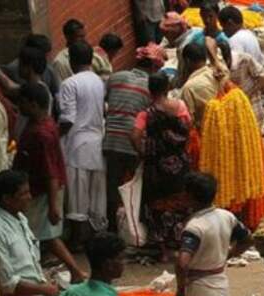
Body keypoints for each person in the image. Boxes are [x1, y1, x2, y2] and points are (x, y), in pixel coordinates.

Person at [174, 173, 252, 296]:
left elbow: (182, 262)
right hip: (220, 287)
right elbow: (247, 239)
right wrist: (228, 255)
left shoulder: (194, 227)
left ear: (190, 197)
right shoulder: (226, 216)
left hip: (199, 293)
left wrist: (181, 286)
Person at [13, 83, 86, 284]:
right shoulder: (45, 124)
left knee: (40, 234)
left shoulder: (41, 133)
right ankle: (73, 271)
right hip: (42, 189)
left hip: (42, 191)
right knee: (45, 235)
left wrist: (54, 205)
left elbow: (50, 171)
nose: (19, 106)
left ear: (33, 104)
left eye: (23, 103)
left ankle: (72, 271)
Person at [131, 72, 193, 261]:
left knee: (156, 206)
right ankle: (180, 243)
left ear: (149, 90)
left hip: (156, 167)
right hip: (178, 164)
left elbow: (134, 136)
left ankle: (164, 250)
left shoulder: (145, 114)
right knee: (180, 202)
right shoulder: (180, 106)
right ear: (167, 88)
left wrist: (143, 152)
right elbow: (189, 127)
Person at [103, 45, 163, 233]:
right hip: (134, 143)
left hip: (111, 141)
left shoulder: (115, 78)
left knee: (113, 187)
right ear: (154, 67)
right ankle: (138, 227)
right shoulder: (150, 87)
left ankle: (113, 228)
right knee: (139, 188)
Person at [59, 41, 108, 238]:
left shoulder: (70, 83)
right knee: (95, 194)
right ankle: (95, 236)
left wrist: (54, 135)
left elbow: (68, 119)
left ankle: (78, 240)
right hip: (97, 141)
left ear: (71, 60)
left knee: (78, 198)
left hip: (77, 145)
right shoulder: (98, 81)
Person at [180, 42, 227, 129]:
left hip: (206, 133)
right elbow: (209, 40)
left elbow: (189, 120)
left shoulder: (189, 88)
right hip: (226, 125)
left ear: (187, 61)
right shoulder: (221, 73)